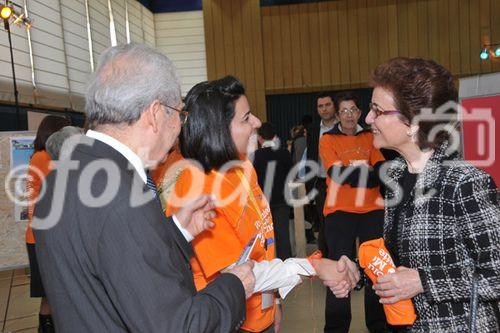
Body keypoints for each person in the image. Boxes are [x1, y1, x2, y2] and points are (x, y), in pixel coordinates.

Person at [32, 43, 255, 333]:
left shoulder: (63, 173)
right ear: (153, 114)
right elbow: (179, 326)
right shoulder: (124, 197)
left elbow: (110, 262)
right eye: (179, 113)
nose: (179, 127)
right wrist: (235, 285)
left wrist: (177, 230)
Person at [167, 76, 357, 333]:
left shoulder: (243, 168)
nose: (257, 122)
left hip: (258, 313)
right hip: (226, 320)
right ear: (219, 130)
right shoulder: (197, 185)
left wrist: (274, 299)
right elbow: (236, 273)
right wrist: (313, 266)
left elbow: (260, 244)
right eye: (246, 118)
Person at [366, 57, 500, 332]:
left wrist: (424, 281)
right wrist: (359, 270)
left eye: (377, 111)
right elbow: (403, 259)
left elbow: (496, 274)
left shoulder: (465, 182)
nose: (368, 119)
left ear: (414, 122)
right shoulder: (395, 176)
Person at [319, 91, 387, 333]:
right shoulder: (328, 139)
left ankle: (379, 324)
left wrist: (356, 174)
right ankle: (336, 328)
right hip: (340, 213)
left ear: (360, 113)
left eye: (353, 110)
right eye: (344, 111)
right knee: (339, 272)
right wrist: (366, 175)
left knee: (376, 269)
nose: (349, 115)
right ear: (337, 115)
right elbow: (336, 175)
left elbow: (381, 171)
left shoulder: (371, 137)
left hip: (373, 211)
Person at [25, 115, 70, 333]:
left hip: (38, 235)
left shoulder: (36, 156)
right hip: (46, 236)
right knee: (51, 295)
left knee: (49, 294)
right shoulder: (46, 159)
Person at [252, 122, 293, 260]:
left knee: (265, 237)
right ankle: (286, 265)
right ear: (275, 136)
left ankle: (267, 264)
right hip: (282, 200)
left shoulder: (255, 156)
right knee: (283, 237)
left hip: (263, 203)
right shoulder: (284, 153)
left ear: (260, 138)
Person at [306, 92, 338, 255]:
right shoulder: (312, 130)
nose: (324, 109)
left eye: (327, 105)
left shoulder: (343, 126)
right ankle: (325, 256)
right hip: (320, 181)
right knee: (323, 220)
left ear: (334, 106)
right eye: (320, 106)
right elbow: (310, 156)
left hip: (341, 182)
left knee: (340, 220)